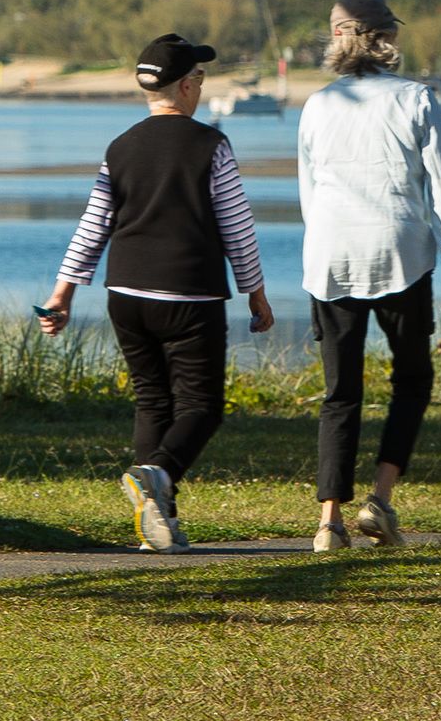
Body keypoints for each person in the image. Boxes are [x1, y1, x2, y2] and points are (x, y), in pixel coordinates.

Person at [35, 32, 272, 549]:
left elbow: (94, 223)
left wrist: (64, 293)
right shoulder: (211, 145)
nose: (202, 88)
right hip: (190, 295)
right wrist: (254, 292)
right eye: (201, 79)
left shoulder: (121, 147)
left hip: (125, 293)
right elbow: (236, 225)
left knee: (152, 402)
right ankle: (158, 476)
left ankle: (157, 526)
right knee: (202, 407)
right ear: (186, 86)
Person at [293, 0, 441, 553]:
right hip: (400, 252)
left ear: (337, 39)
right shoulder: (416, 99)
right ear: (384, 39)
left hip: (330, 255)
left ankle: (328, 523)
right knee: (412, 379)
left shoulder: (318, 105)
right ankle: (381, 499)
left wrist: (321, 243)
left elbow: (309, 193)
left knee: (339, 391)